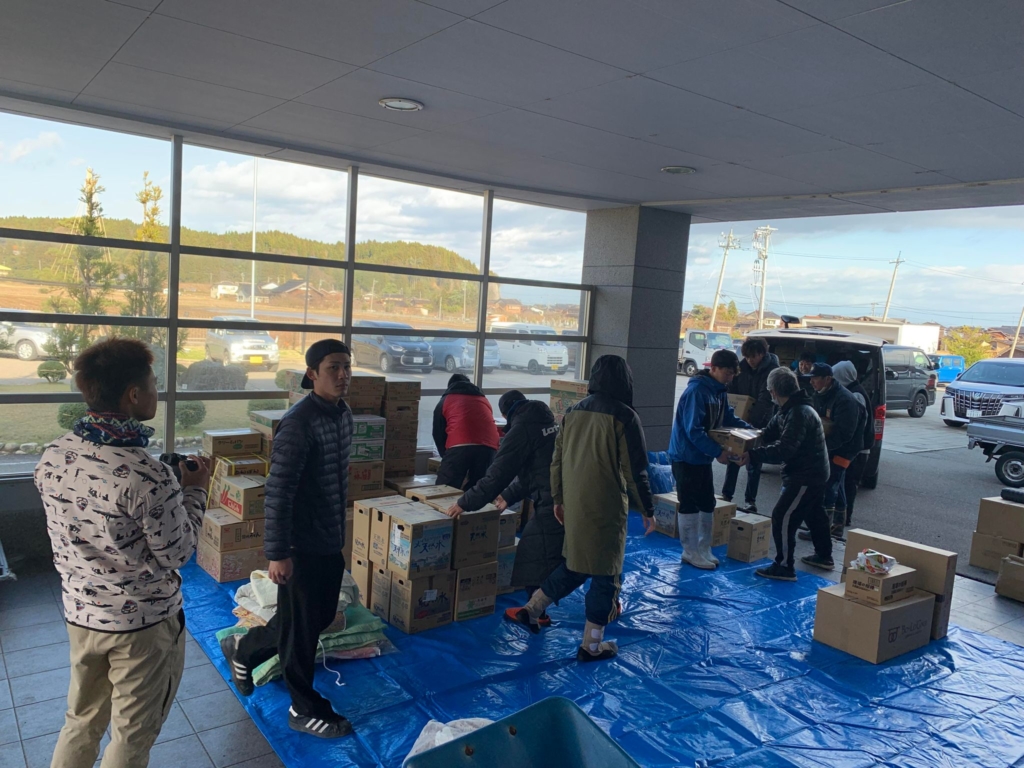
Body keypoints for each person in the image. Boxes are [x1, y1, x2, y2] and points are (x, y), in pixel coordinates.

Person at [35, 338, 210, 768]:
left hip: (81, 615)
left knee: (81, 721)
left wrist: (169, 494)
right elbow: (177, 553)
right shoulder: (147, 475)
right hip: (142, 627)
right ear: (133, 394)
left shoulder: (54, 454)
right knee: (132, 735)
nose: (156, 392)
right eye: (153, 384)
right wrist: (194, 491)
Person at [222, 339, 355, 739]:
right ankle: (302, 707)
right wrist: (279, 553)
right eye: (333, 368)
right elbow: (278, 492)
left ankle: (245, 649)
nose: (343, 375)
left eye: (347, 367)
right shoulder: (298, 424)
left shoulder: (342, 414)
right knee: (302, 631)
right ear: (312, 374)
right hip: (300, 545)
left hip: (328, 538)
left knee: (314, 617)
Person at [506, 356, 656, 662]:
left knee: (576, 564)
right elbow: (635, 470)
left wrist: (559, 499)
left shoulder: (573, 412)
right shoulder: (625, 416)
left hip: (574, 503)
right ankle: (592, 645)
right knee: (607, 574)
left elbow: (557, 462)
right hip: (606, 507)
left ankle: (532, 609)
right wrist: (647, 508)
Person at [444, 390, 563, 625]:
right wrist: (508, 496)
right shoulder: (548, 421)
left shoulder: (521, 430)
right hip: (563, 495)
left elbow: (497, 475)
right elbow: (535, 470)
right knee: (558, 554)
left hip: (553, 501)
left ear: (507, 413)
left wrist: (464, 502)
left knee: (532, 554)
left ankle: (536, 614)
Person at [668, 349, 752, 571]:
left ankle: (703, 548)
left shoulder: (719, 391)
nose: (730, 377)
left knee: (707, 503)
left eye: (733, 373)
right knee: (689, 504)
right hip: (685, 457)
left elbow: (728, 417)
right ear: (713, 368)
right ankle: (690, 551)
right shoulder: (697, 391)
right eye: (727, 372)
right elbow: (693, 430)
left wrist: (751, 431)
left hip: (702, 458)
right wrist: (717, 452)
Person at [749, 368, 830, 581]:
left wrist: (751, 455)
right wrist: (746, 438)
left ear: (774, 391)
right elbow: (768, 433)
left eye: (770, 391)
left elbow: (784, 450)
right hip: (813, 472)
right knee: (814, 513)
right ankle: (824, 555)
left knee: (783, 517)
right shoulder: (788, 409)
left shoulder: (798, 413)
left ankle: (784, 566)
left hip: (806, 475)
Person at [807, 362, 865, 552]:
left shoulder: (845, 400)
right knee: (837, 483)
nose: (812, 382)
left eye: (815, 378)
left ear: (828, 379)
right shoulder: (820, 393)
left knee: (830, 483)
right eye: (811, 378)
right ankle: (837, 526)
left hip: (846, 448)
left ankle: (823, 529)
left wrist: (822, 448)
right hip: (830, 445)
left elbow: (845, 434)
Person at [721, 337, 778, 513]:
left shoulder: (771, 370)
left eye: (753, 356)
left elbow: (765, 400)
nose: (750, 360)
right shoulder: (742, 367)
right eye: (746, 356)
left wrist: (752, 423)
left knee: (754, 461)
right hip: (738, 421)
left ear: (762, 354)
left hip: (760, 422)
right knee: (733, 458)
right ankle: (726, 496)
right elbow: (731, 390)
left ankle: (750, 501)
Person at [432, 373, 500, 490]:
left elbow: (438, 433)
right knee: (478, 490)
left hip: (460, 445)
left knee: (445, 489)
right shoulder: (483, 400)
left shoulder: (446, 400)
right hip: (489, 447)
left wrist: (446, 456)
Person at [832, 361, 874, 528]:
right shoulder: (854, 391)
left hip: (857, 450)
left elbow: (855, 426)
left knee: (848, 484)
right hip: (857, 448)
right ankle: (841, 518)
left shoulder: (855, 395)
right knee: (844, 483)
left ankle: (844, 518)